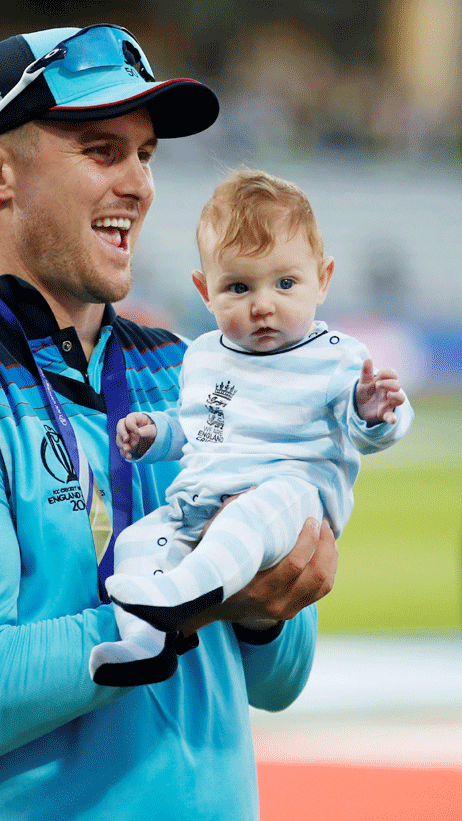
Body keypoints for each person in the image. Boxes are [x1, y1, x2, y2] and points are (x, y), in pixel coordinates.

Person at [0, 26, 338, 821]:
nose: (138, 183)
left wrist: (272, 594)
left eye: (146, 155)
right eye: (102, 151)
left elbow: (279, 678)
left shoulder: (189, 371)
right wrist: (192, 597)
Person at [91, 168, 413, 687]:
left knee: (251, 515)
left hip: (292, 496)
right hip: (200, 496)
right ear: (205, 292)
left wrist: (372, 413)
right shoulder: (203, 356)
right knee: (138, 541)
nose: (263, 304)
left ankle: (180, 599)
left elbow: (374, 427)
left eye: (285, 283)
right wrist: (154, 436)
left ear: (323, 279)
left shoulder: (335, 357)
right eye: (239, 287)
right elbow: (201, 430)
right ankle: (144, 645)